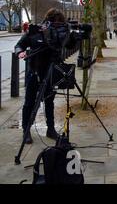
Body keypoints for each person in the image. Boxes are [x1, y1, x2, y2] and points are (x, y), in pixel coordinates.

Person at [15, 8, 75, 144]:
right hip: (35, 72)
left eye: (60, 24)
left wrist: (73, 35)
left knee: (49, 102)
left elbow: (71, 44)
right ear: (48, 22)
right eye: (54, 23)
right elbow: (19, 45)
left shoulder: (61, 35)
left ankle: (51, 129)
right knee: (29, 102)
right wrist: (20, 53)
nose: (57, 27)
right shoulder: (35, 31)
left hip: (52, 73)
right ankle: (26, 130)